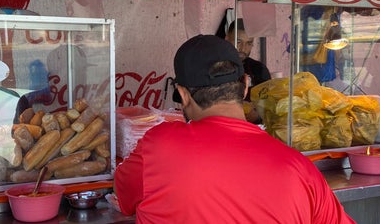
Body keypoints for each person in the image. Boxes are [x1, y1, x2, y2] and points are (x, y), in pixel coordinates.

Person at [113, 35, 354, 223]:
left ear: (184, 95)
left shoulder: (159, 146)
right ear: (246, 85)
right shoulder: (300, 168)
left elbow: (124, 195)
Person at [225, 19, 271, 123]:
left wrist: (258, 114)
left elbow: (269, 105)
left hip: (252, 130)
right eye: (238, 42)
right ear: (227, 38)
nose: (243, 48)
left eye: (249, 43)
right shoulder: (216, 67)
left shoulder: (258, 69)